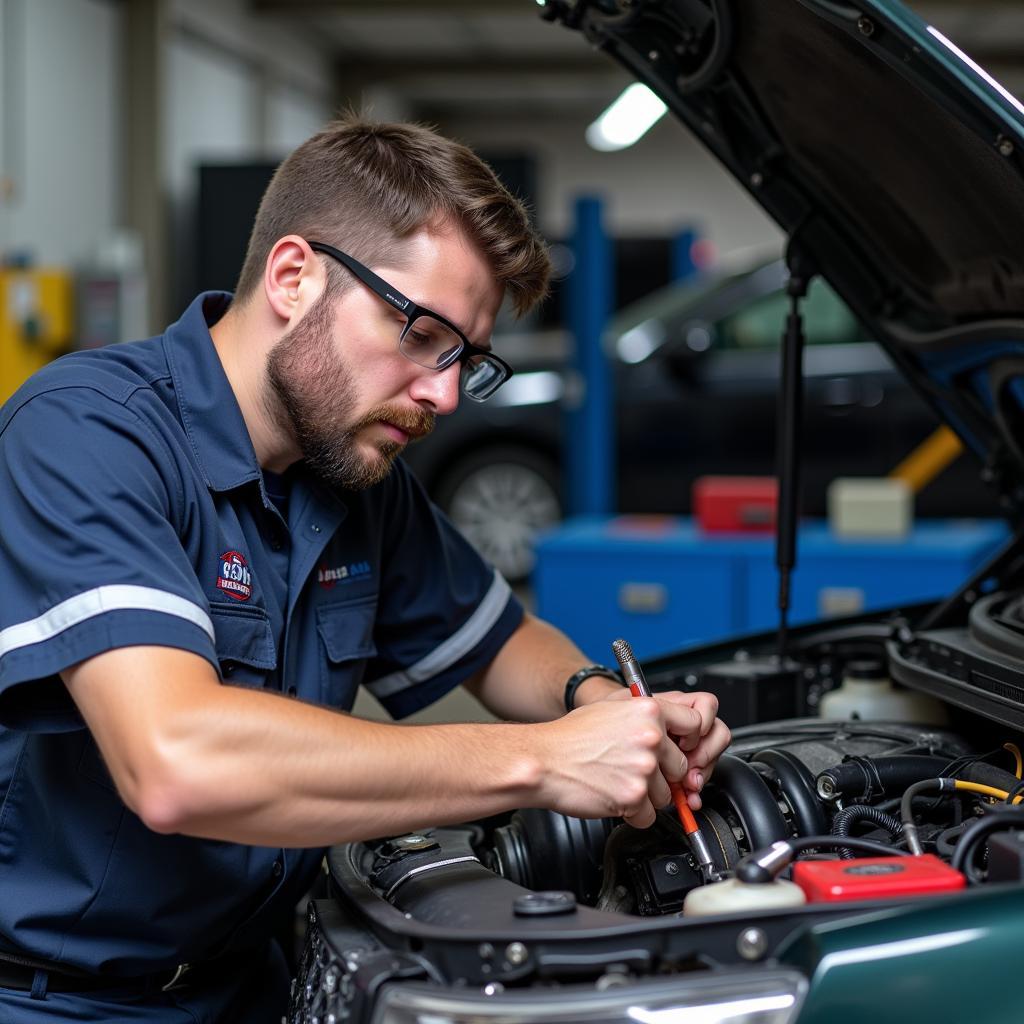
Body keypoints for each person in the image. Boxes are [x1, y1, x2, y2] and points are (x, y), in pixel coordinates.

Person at [0, 116, 731, 1022]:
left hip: (259, 980)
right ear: (295, 276)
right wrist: (543, 759)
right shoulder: (88, 432)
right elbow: (174, 760)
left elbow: (506, 642)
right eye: (421, 333)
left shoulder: (352, 476)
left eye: (467, 357)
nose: (445, 394)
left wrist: (603, 708)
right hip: (57, 1001)